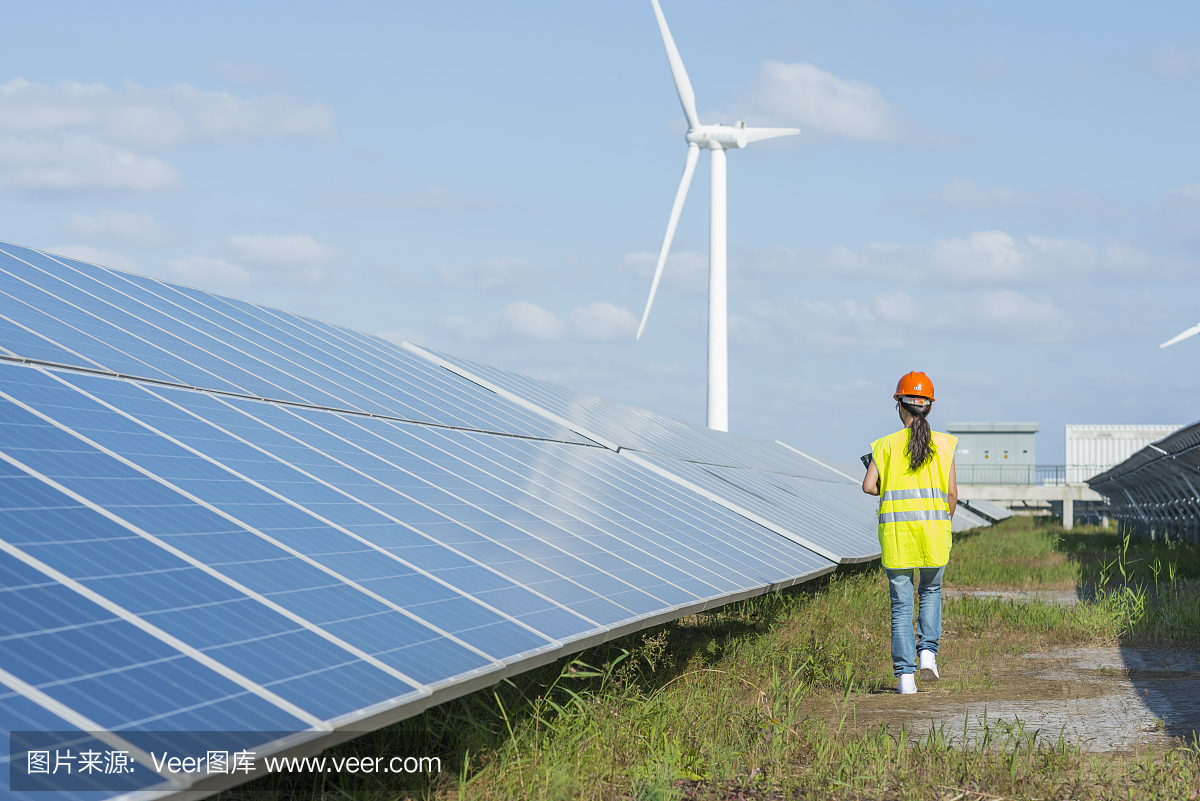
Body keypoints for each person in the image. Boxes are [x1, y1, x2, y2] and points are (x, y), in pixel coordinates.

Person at [861, 371, 958, 695]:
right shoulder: (944, 444)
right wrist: (942, 524)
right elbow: (952, 495)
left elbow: (869, 486)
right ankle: (927, 654)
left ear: (899, 405)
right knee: (930, 593)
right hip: (934, 537)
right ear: (928, 407)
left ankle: (905, 678)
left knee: (901, 606)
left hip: (897, 540)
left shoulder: (884, 445)